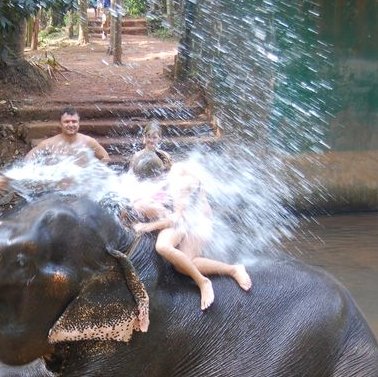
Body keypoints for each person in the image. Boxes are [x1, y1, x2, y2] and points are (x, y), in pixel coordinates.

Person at [130, 132, 251, 311]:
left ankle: (212, 279)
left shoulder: (178, 182)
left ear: (158, 174)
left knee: (169, 251)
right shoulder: (161, 177)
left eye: (148, 180)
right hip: (181, 221)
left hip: (196, 223)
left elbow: (178, 219)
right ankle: (224, 271)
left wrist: (148, 227)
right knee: (182, 266)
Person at [25, 107, 111, 164]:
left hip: (82, 186)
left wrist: (97, 172)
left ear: (78, 123)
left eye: (74, 121)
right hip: (58, 187)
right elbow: (28, 159)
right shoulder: (49, 144)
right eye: (67, 121)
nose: (71, 125)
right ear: (60, 124)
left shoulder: (88, 142)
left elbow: (105, 157)